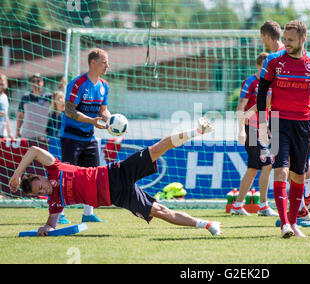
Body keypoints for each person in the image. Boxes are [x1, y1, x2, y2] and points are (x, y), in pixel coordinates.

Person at [8, 117, 221, 237]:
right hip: (118, 196)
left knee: (157, 148)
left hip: (115, 172)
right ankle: (208, 224)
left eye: (40, 186)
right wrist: (46, 229)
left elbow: (34, 150)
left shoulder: (54, 168)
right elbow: (52, 225)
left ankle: (197, 130)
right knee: (161, 211)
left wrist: (16, 176)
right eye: (39, 193)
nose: (43, 190)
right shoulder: (55, 202)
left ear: (41, 177)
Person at [256, 20, 310, 238]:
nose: (287, 43)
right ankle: (285, 223)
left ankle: (294, 223)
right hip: (278, 121)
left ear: (304, 39)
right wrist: (263, 121)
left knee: (298, 175)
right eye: (285, 39)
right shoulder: (274, 61)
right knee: (281, 170)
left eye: (291, 40)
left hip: (303, 123)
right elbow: (262, 90)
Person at [260, 20, 310, 225]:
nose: (288, 43)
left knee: (292, 163)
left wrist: (256, 112)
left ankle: (302, 207)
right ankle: (307, 199)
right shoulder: (282, 55)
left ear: (268, 37)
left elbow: (271, 92)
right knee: (289, 164)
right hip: (298, 111)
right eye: (286, 39)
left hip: (301, 111)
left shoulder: (277, 56)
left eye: (262, 38)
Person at [58, 48, 112, 224]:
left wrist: (112, 120)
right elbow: (69, 111)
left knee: (93, 175)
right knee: (67, 175)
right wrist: (92, 121)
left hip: (89, 137)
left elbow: (102, 111)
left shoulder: (104, 86)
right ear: (93, 63)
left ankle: (88, 213)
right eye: (104, 62)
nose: (107, 65)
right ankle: (60, 214)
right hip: (71, 136)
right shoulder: (78, 84)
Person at [232, 52, 277, 217]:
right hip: (250, 128)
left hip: (264, 128)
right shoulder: (251, 82)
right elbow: (240, 108)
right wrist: (241, 130)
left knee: (253, 168)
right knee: (267, 164)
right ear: (259, 66)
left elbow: (269, 106)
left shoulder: (272, 82)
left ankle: (237, 205)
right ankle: (264, 206)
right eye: (266, 66)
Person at [16, 73, 52, 142]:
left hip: (42, 137)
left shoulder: (48, 97)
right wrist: (17, 131)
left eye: (38, 81)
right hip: (26, 136)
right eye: (33, 81)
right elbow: (20, 115)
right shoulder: (25, 97)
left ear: (43, 83)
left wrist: (60, 87)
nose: (35, 83)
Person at [0, 74, 14, 139]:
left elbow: (6, 116)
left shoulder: (5, 97)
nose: (1, 86)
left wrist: (10, 133)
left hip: (3, 132)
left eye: (2, 84)